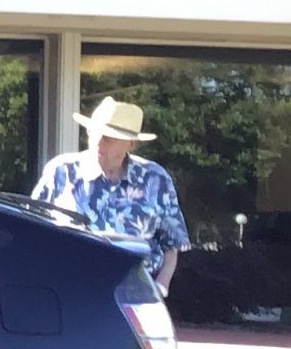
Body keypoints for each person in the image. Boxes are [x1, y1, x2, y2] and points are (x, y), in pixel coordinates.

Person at [30, 96, 188, 297]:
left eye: (108, 137)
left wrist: (161, 287)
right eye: (94, 134)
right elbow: (33, 229)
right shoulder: (62, 172)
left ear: (131, 144)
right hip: (68, 289)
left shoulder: (155, 179)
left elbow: (172, 245)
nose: (98, 143)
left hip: (134, 294)